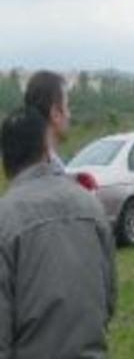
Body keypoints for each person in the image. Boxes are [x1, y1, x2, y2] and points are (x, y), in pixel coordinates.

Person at [0, 107, 116, 358]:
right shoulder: (91, 206)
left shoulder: (5, 219)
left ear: (5, 162)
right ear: (46, 151)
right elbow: (109, 301)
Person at [23, 70, 70, 169]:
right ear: (55, 114)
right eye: (67, 106)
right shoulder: (50, 171)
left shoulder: (22, 165)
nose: (69, 115)